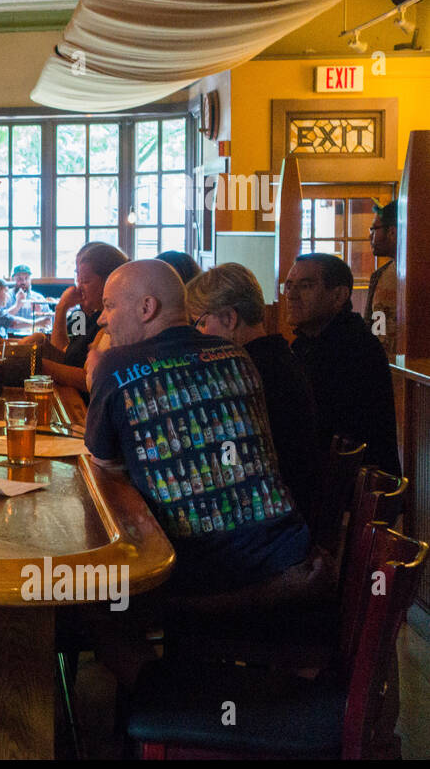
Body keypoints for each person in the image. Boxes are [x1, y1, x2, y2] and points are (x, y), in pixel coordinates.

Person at [83, 260, 319, 686]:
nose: (101, 318)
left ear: (146, 308)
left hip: (204, 577)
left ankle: (170, 709)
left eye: (109, 306)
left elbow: (103, 472)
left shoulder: (114, 367)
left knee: (97, 604)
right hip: (289, 557)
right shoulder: (238, 354)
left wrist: (96, 374)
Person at [185, 263, 321, 518]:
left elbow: (232, 462)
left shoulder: (248, 372)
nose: (197, 336)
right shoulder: (275, 356)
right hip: (289, 505)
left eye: (200, 324)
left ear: (229, 318)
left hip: (273, 516)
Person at [285, 253, 400, 476]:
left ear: (338, 296)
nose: (292, 295)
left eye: (306, 286)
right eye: (289, 286)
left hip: (352, 492)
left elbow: (317, 428)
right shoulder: (308, 344)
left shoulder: (353, 347)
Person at [33, 242, 129, 394]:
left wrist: (33, 363)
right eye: (77, 276)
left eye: (84, 280)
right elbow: (64, 353)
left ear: (110, 281)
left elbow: (90, 378)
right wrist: (61, 309)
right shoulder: (82, 315)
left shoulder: (117, 322)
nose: (78, 287)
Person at [364, 199, 398, 359]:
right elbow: (370, 328)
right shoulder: (379, 276)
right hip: (382, 369)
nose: (370, 236)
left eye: (374, 229)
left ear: (392, 232)